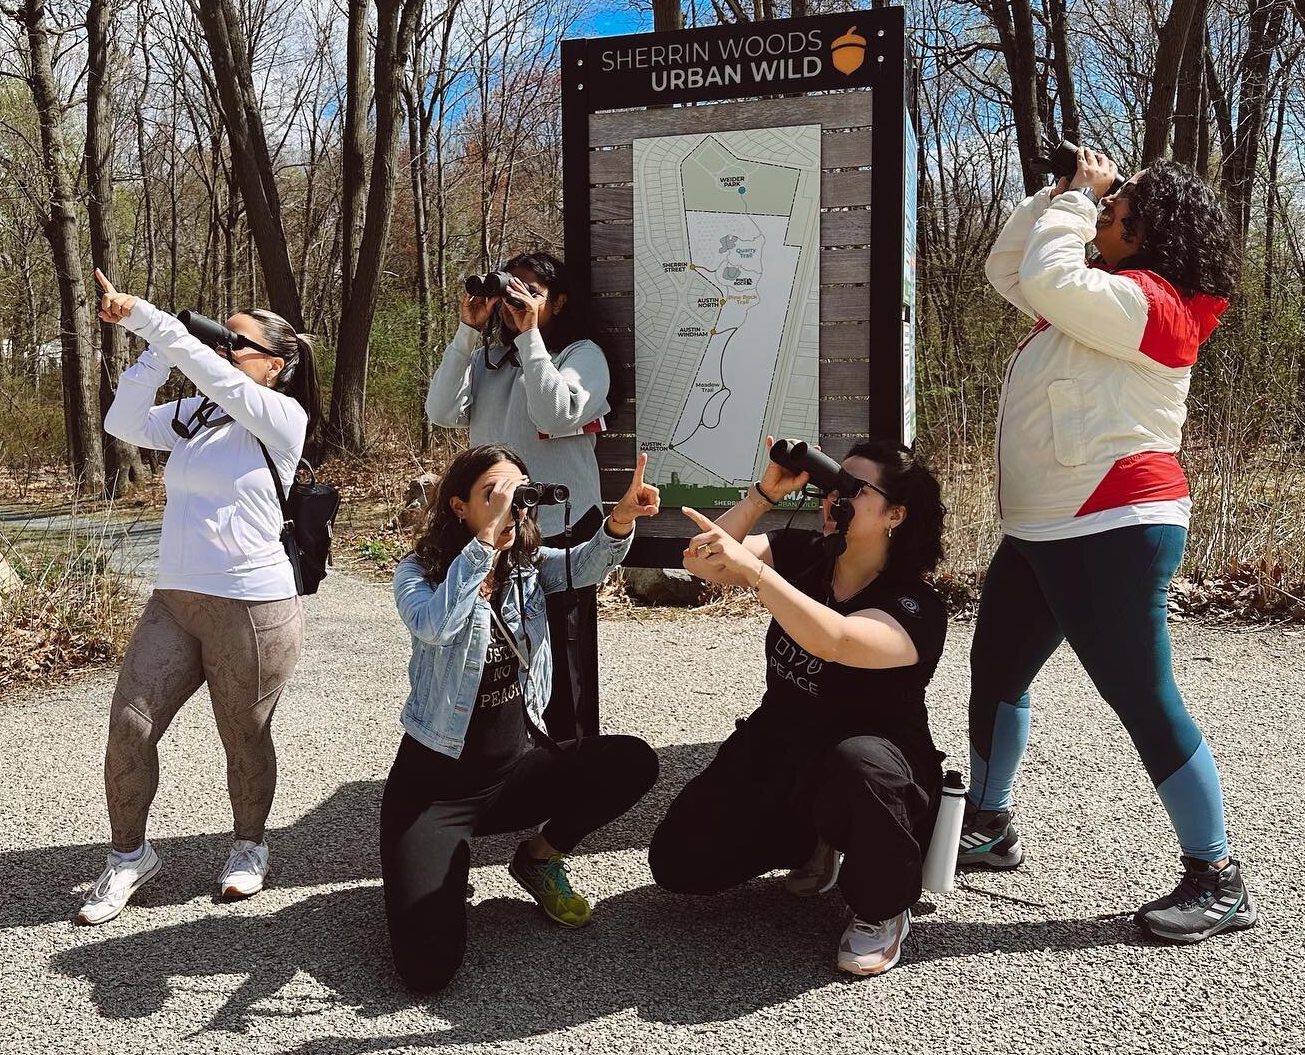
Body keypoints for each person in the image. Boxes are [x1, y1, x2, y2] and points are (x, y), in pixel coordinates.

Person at [965, 146, 1256, 944]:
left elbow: (1051, 278)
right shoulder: (1102, 294)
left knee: (1142, 695)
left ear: (1150, 235)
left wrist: (1075, 203)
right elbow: (1009, 267)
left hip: (1112, 522)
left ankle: (1218, 876)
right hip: (1042, 524)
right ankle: (988, 826)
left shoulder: (1156, 304)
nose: (1101, 217)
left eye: (1115, 213)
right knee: (996, 671)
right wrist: (1060, 194)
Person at [647, 439, 948, 979]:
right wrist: (763, 495)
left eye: (855, 491)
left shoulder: (915, 605)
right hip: (784, 744)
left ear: (895, 516)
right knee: (678, 863)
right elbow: (700, 565)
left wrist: (758, 574)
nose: (835, 499)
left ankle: (883, 908)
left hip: (869, 768)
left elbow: (835, 639)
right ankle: (815, 840)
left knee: (860, 765)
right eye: (833, 486)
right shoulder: (805, 553)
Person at [77, 272, 322, 924]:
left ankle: (249, 846)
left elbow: (221, 381)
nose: (221, 347)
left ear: (274, 364)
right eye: (221, 334)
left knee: (243, 734)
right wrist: (159, 348)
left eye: (235, 341)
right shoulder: (197, 414)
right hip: (176, 597)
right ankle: (129, 857)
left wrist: (157, 321)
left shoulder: (279, 416)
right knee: (129, 725)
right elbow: (122, 419)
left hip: (253, 604)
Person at [383, 445, 661, 992]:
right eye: (494, 497)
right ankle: (443, 858)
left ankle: (538, 858)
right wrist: (483, 546)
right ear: (459, 507)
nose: (512, 509)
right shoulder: (419, 573)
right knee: (428, 972)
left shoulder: (528, 568)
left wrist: (621, 519)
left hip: (512, 777)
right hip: (435, 795)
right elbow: (434, 627)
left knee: (631, 762)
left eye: (519, 495)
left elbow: (586, 567)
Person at [425, 252, 610, 742]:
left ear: (561, 301)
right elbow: (442, 411)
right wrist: (469, 333)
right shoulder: (488, 359)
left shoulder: (582, 357)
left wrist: (530, 338)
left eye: (533, 292)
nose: (517, 301)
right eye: (512, 291)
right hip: (497, 531)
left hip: (561, 528)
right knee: (498, 649)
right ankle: (509, 756)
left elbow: (554, 415)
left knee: (563, 653)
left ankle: (570, 759)